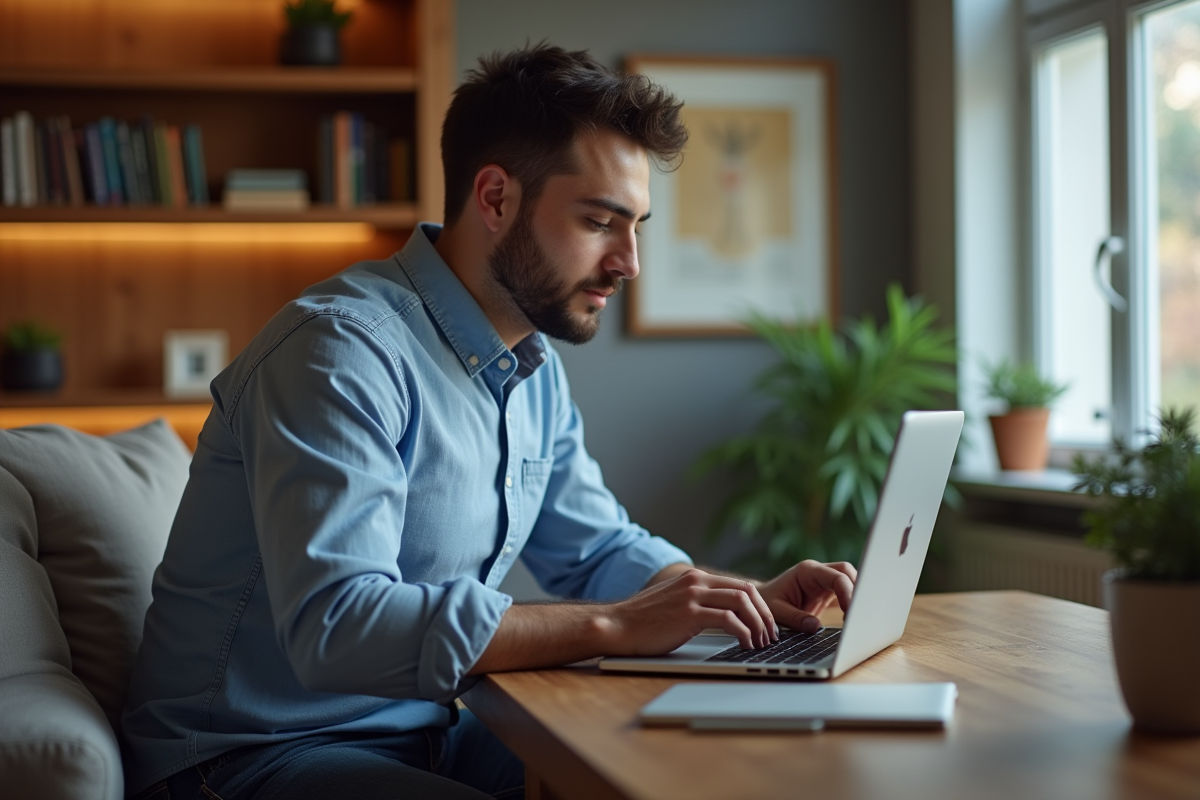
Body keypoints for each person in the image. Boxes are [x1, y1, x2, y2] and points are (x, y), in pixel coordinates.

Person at [121, 44, 858, 800]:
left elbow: (598, 547)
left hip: (427, 732)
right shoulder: (338, 352)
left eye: (636, 225)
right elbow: (339, 627)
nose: (629, 262)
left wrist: (738, 600)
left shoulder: (531, 366)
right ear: (497, 198)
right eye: (599, 221)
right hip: (245, 756)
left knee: (688, 774)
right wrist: (613, 626)